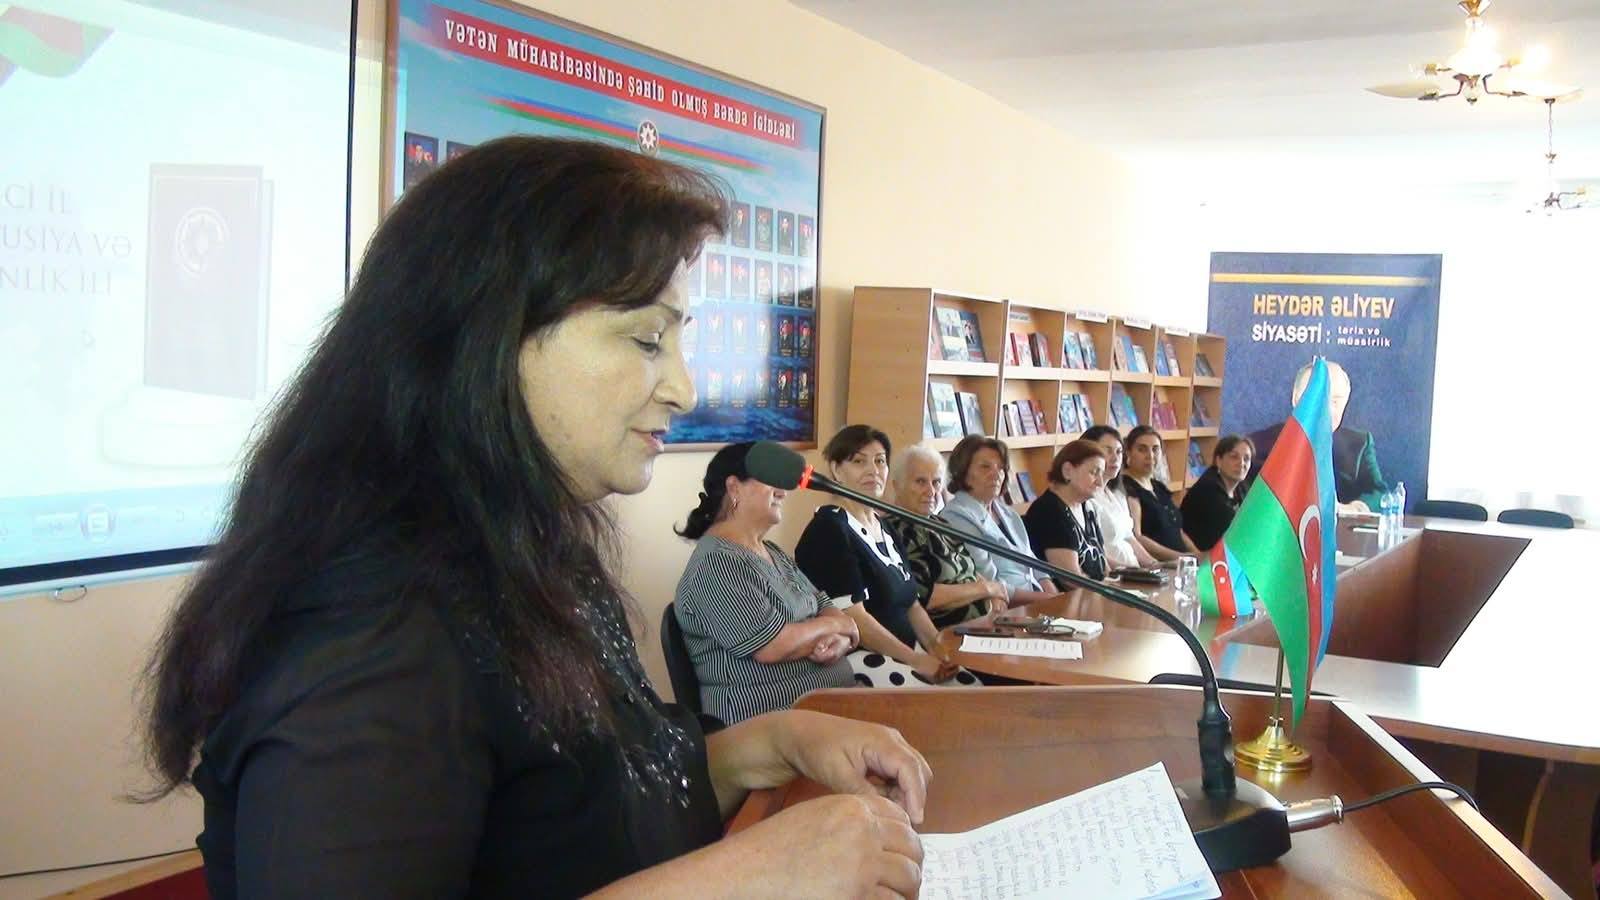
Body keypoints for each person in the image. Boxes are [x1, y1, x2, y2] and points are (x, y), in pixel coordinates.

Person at [138, 137, 929, 899]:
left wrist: (775, 740)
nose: (684, 389)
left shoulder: (533, 553)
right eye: (646, 340)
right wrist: (743, 881)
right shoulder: (371, 633)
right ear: (488, 338)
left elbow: (602, 803)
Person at [672, 442, 859, 725]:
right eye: (771, 479)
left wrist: (842, 639)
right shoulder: (717, 564)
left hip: (823, 711)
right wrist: (837, 626)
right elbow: (773, 645)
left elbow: (824, 604)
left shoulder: (772, 552)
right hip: (766, 725)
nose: (783, 492)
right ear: (734, 488)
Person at [795, 425, 980, 687]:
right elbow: (855, 619)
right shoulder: (829, 530)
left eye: (880, 461)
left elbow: (912, 605)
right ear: (836, 470)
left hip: (907, 653)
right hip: (862, 659)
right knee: (955, 704)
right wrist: (915, 660)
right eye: (859, 461)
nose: (873, 470)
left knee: (974, 687)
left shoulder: (885, 526)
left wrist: (939, 650)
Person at [883, 442, 1009, 629]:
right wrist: (986, 589)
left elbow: (971, 572)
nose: (931, 491)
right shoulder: (897, 530)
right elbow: (926, 597)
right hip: (946, 633)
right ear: (897, 485)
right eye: (920, 482)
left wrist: (994, 595)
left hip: (984, 625)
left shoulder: (940, 523)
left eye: (936, 482)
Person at [1248, 359, 1386, 512]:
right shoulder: (1260, 445)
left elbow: (1379, 493)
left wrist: (1354, 509)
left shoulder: (1359, 444)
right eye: (1318, 398)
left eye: (1335, 401)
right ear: (1295, 398)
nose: (1326, 409)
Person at [940, 435, 1059, 602]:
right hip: (1004, 606)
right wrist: (1046, 599)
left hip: (1037, 599)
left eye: (1001, 468)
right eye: (985, 467)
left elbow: (1032, 560)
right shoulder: (956, 516)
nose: (997, 474)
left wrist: (1054, 596)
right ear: (962, 471)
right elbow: (990, 582)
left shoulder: (1008, 513)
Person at [1022, 440, 1110, 584]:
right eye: (1094, 472)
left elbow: (1102, 564)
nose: (1100, 482)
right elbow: (1071, 581)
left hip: (1097, 592)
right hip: (1070, 596)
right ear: (1067, 471)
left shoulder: (1087, 507)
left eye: (1102, 474)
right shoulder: (1050, 511)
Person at [1082, 425, 1163, 570]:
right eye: (1107, 451)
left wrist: (1155, 565)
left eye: (1119, 452)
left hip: (1135, 572)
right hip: (1114, 576)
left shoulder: (1116, 494)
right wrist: (1133, 572)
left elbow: (1129, 538)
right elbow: (1095, 554)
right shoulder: (1085, 498)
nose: (1115, 458)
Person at [1123, 425, 1199, 559]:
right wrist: (1181, 557)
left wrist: (1197, 555)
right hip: (1157, 564)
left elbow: (1178, 530)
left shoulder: (1158, 487)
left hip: (1181, 561)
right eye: (1142, 449)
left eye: (1155, 449)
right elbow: (1137, 537)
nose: (1150, 456)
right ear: (1128, 453)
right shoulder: (1127, 487)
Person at [1182, 434, 1254, 551]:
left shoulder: (1241, 487)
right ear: (1218, 461)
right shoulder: (1208, 489)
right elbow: (1236, 529)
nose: (1241, 463)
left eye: (1246, 459)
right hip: (1198, 556)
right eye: (1234, 457)